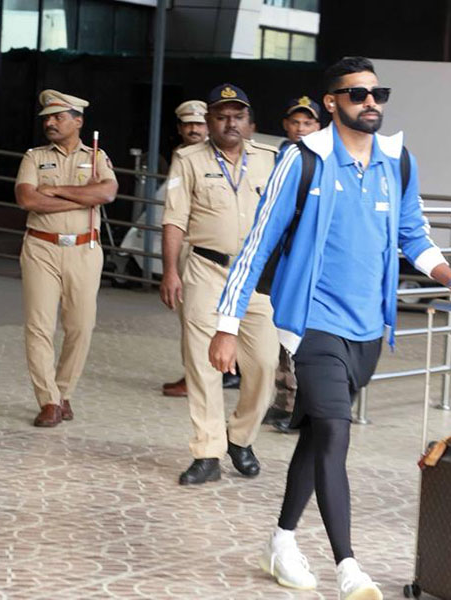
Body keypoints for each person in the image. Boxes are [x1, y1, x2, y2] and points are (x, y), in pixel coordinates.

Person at [208, 57, 451, 598]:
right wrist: (227, 323)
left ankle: (281, 541)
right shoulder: (303, 161)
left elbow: (414, 235)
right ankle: (348, 567)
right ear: (332, 102)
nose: (371, 102)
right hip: (313, 322)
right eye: (357, 94)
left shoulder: (396, 161)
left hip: (366, 329)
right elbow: (258, 241)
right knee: (336, 430)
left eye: (377, 93)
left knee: (317, 436)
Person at [160, 83, 279, 485]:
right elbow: (175, 218)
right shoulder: (188, 159)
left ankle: (240, 437)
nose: (230, 122)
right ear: (208, 121)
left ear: (249, 122)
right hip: (205, 271)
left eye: (238, 116)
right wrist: (171, 271)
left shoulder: (270, 159)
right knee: (202, 363)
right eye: (222, 116)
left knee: (264, 363)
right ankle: (207, 451)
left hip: (255, 277)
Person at [14, 90, 118, 428]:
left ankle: (63, 392)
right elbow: (28, 200)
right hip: (41, 249)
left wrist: (56, 190)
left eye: (58, 116)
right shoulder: (33, 157)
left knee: (81, 327)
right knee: (39, 327)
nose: (50, 122)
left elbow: (107, 193)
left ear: (78, 121)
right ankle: (48, 401)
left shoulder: (97, 156)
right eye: (47, 117)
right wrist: (82, 198)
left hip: (85, 251)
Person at [262, 95, 323, 434]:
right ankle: (283, 400)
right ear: (286, 125)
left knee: (303, 333)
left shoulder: (323, 161)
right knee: (277, 329)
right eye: (296, 122)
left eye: (308, 123)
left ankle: (302, 407)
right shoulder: (275, 158)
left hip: (304, 258)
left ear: (318, 126)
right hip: (276, 257)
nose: (301, 128)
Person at [161, 100, 209, 399]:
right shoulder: (181, 156)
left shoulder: (219, 155)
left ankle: (199, 377)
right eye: (188, 124)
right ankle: (195, 373)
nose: (193, 129)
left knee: (198, 317)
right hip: (187, 245)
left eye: (199, 123)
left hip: (208, 246)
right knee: (191, 316)